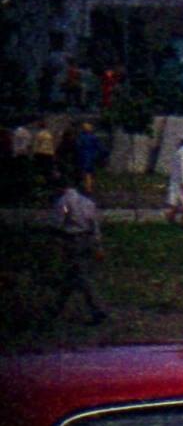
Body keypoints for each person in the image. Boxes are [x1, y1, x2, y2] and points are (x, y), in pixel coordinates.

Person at [51, 177, 107, 325]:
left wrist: (56, 241)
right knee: (72, 276)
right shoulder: (88, 203)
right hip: (87, 239)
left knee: (80, 276)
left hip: (72, 240)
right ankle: (56, 308)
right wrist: (98, 246)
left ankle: (98, 309)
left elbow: (58, 222)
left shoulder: (63, 202)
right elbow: (95, 225)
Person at [75, 120, 103, 195]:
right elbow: (99, 147)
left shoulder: (81, 137)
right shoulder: (94, 137)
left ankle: (87, 187)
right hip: (92, 157)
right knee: (90, 173)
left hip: (83, 156)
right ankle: (89, 186)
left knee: (85, 173)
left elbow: (78, 146)